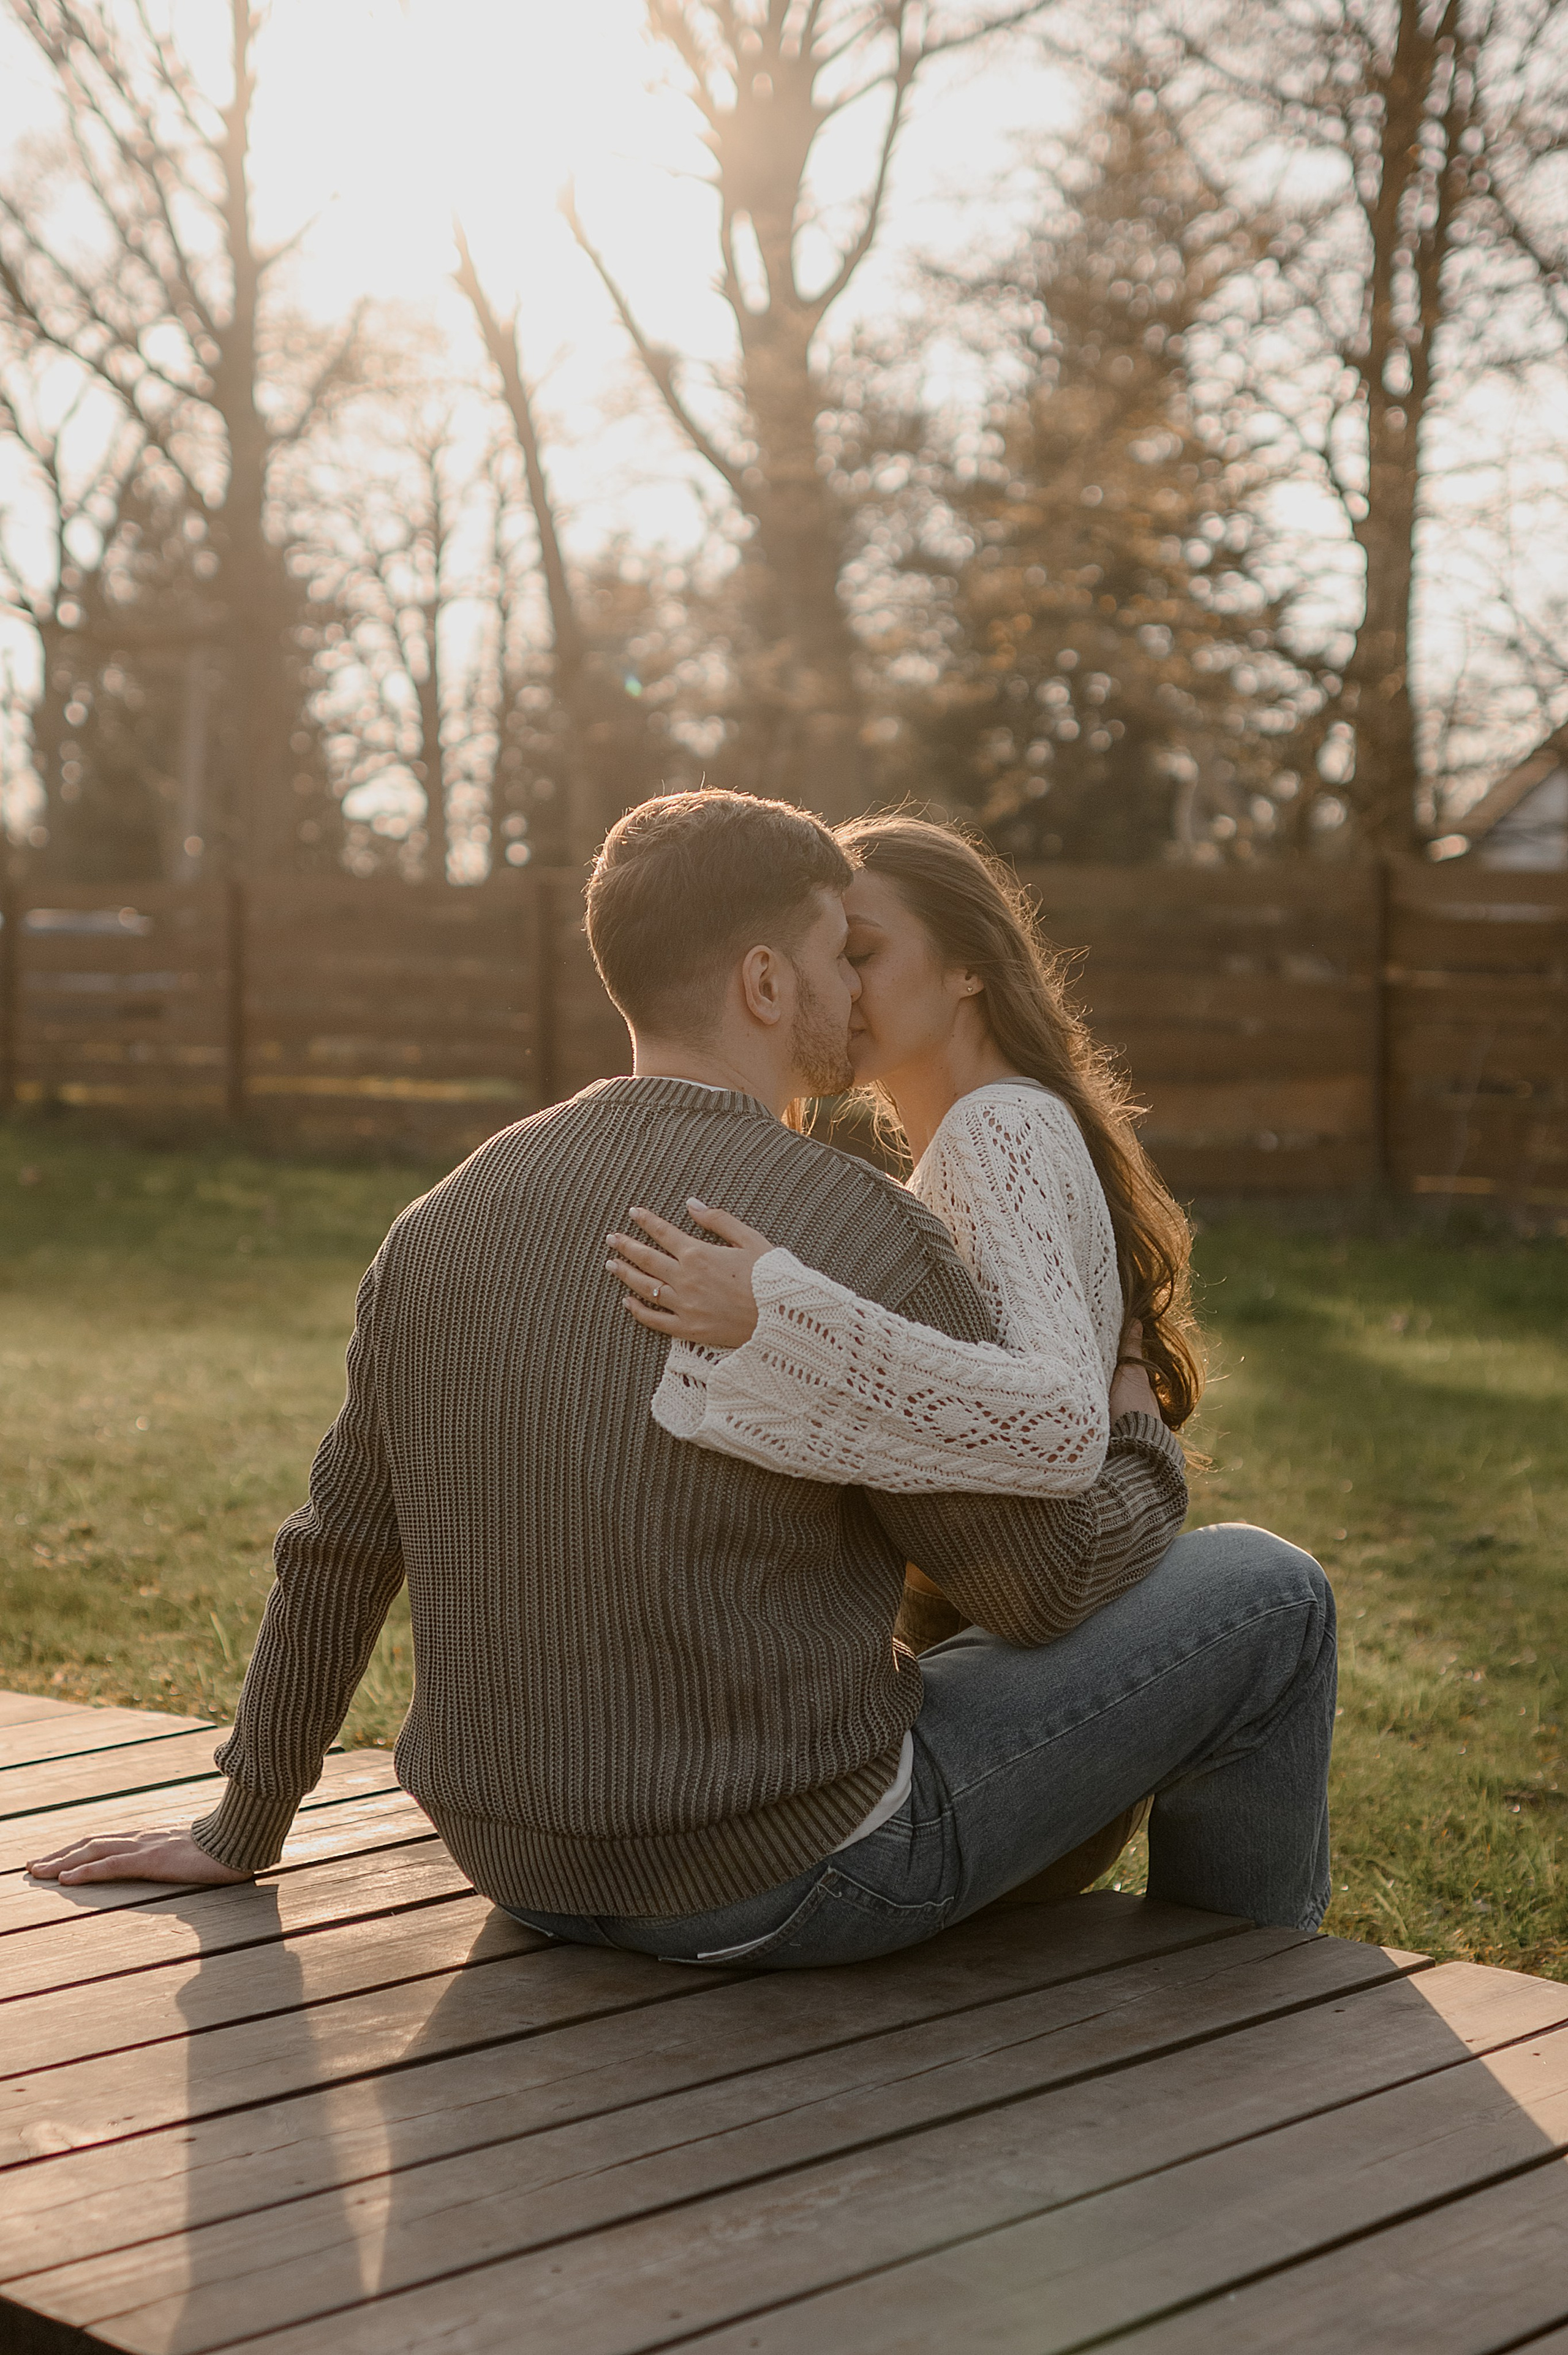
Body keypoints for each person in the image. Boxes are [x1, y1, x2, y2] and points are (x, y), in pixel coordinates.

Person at [29, 791, 1335, 1967]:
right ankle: (1236, 2019)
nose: (852, 992)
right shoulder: (855, 1227)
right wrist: (1132, 1425)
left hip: (520, 1863)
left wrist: (242, 1819)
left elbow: (337, 1544)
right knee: (1267, 1592)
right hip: (779, 1873)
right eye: (838, 954)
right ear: (766, 980)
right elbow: (1038, 1583)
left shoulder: (441, 1216)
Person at [604, 814, 1203, 1671]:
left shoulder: (1001, 1129)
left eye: (865, 954)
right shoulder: (965, 1147)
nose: (837, 988)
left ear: (968, 968)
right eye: (831, 956)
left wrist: (777, 1318)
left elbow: (1062, 1419)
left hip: (1039, 1647)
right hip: (993, 1636)